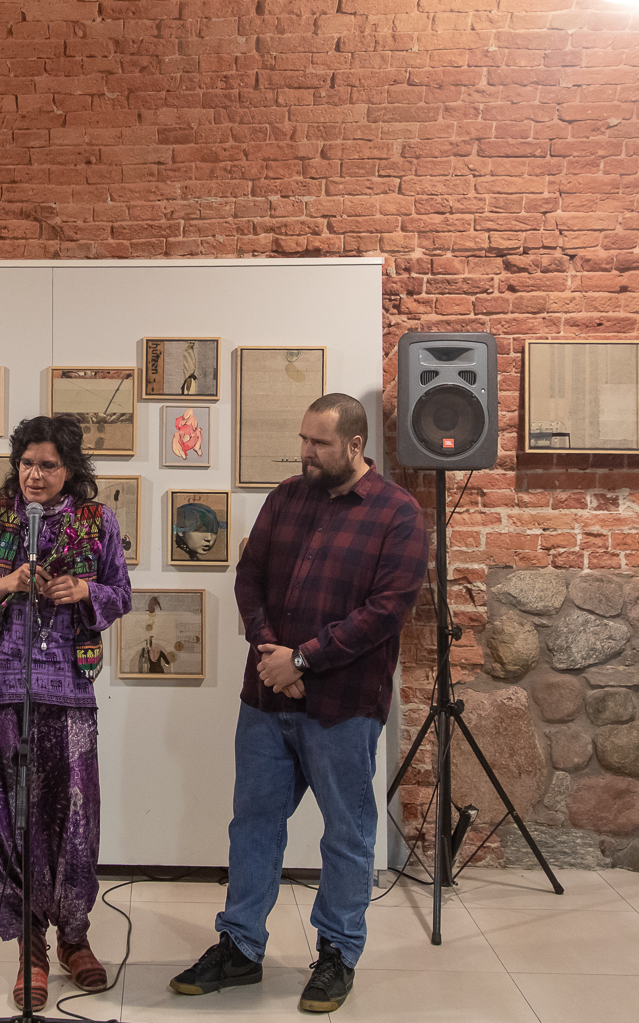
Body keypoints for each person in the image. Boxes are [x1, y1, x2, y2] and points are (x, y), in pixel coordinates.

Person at [172, 394, 427, 1014]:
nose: (306, 453)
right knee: (253, 824)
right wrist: (273, 654)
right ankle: (240, 947)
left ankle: (337, 954)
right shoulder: (286, 497)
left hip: (345, 706)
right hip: (266, 696)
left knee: (346, 834)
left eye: (319, 443)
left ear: (355, 446)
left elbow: (385, 611)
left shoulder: (398, 514)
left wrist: (304, 660)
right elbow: (249, 577)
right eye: (303, 440)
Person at [0, 414, 132, 1010]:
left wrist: (83, 592)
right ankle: (29, 948)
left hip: (67, 688)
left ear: (70, 469)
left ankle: (74, 937)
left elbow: (120, 594)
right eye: (26, 463)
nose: (34, 474)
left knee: (73, 815)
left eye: (48, 465)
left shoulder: (97, 521)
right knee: (9, 817)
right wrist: (7, 584)